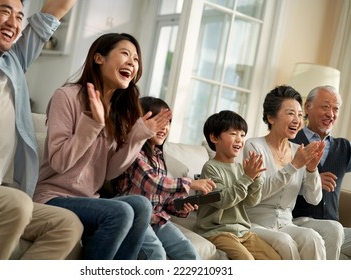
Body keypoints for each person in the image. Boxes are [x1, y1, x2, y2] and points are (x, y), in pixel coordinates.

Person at [33, 33, 173, 260]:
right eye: (125, 54)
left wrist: (137, 138)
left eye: (136, 59)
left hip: (89, 199)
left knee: (141, 205)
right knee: (121, 211)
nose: (132, 63)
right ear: (99, 58)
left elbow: (109, 172)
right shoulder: (66, 96)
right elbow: (59, 162)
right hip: (53, 196)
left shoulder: (120, 112)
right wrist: (93, 124)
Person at [0, 0, 83, 259]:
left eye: (19, 16)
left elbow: (57, 9)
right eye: (5, 11)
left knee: (67, 225)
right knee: (14, 204)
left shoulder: (14, 63)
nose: (15, 22)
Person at [243, 85, 344, 260]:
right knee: (286, 241)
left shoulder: (299, 150)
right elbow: (257, 194)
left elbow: (314, 199)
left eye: (299, 114)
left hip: (286, 223)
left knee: (312, 238)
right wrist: (294, 165)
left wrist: (312, 169)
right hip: (256, 222)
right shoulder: (254, 146)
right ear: (271, 117)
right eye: (290, 113)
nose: (297, 120)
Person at [114, 96, 216, 260]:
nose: (164, 127)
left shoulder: (159, 156)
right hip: (136, 219)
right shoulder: (134, 152)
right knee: (157, 254)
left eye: (167, 122)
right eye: (158, 121)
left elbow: (161, 199)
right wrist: (191, 183)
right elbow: (153, 184)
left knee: (189, 253)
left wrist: (179, 208)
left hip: (156, 220)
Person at [194, 110, 281, 260]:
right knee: (246, 260)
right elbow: (223, 201)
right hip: (217, 231)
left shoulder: (241, 168)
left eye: (242, 135)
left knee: (275, 259)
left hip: (243, 231)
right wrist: (247, 177)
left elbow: (251, 202)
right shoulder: (210, 168)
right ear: (214, 137)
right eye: (233, 134)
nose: (239, 140)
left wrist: (256, 178)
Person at [290, 85, 350, 259]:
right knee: (333, 230)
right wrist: (311, 178)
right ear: (308, 107)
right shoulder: (291, 141)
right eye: (325, 106)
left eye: (335, 109)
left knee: (335, 230)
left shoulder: (343, 147)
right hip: (298, 222)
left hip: (334, 225)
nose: (330, 114)